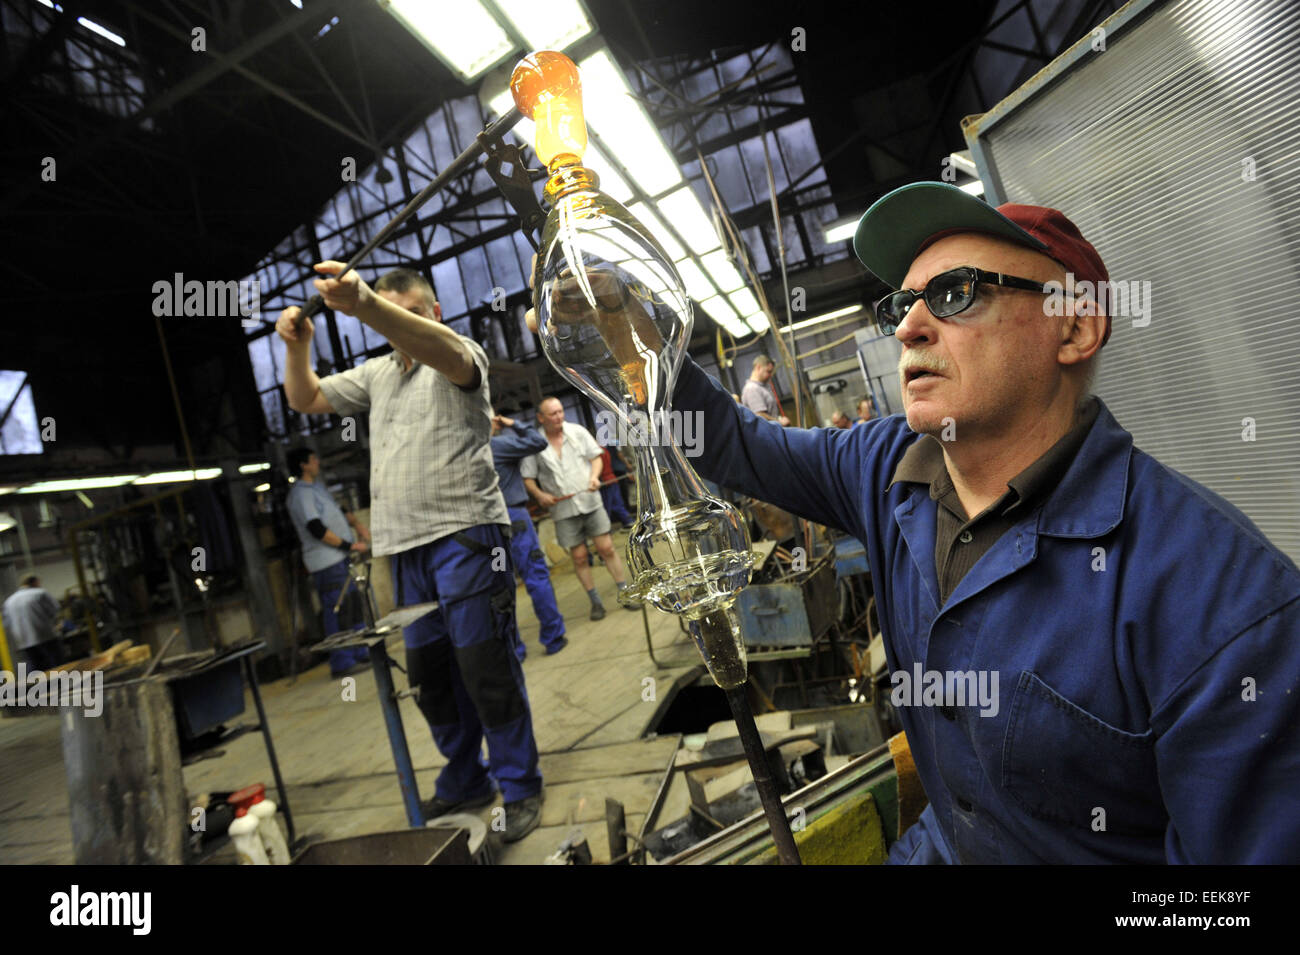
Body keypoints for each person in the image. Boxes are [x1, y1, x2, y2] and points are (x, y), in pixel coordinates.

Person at [530, 181, 1300, 864]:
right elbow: (736, 445)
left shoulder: (1226, 608)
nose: (907, 328)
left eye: (958, 293)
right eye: (903, 304)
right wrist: (635, 335)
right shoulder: (887, 465)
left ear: (1074, 329)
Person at [276, 264, 543, 842]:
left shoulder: (458, 354)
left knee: (486, 668)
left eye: (411, 315)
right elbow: (306, 397)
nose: (399, 328)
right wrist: (298, 349)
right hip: (404, 552)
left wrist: (367, 303)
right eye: (389, 317)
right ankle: (467, 776)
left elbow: (436, 349)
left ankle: (519, 785)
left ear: (434, 314)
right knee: (430, 678)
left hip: (466, 538)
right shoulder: (377, 373)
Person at [521, 397, 638, 621]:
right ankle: (595, 601)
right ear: (541, 418)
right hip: (562, 509)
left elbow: (596, 458)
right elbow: (528, 478)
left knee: (607, 548)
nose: (558, 417)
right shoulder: (534, 443)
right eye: (552, 414)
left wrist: (594, 478)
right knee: (580, 557)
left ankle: (625, 592)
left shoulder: (577, 432)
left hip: (590, 500)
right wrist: (540, 495)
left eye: (560, 411)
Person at [283, 448, 370, 677]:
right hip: (326, 561)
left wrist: (358, 526)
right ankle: (342, 662)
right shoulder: (301, 494)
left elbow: (339, 509)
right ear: (303, 465)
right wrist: (349, 545)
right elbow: (316, 528)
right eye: (313, 458)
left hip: (338, 559)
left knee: (351, 604)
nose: (317, 461)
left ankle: (360, 651)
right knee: (337, 609)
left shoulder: (317, 487)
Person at [489, 411, 568, 657]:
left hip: (492, 530)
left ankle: (515, 649)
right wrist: (513, 423)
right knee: (535, 575)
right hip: (515, 522)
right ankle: (553, 638)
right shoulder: (499, 445)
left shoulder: (469, 450)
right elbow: (538, 440)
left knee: (502, 584)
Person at [2, 575, 62, 671]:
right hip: (46, 636)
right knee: (56, 665)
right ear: (34, 582)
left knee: (35, 667)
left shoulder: (9, 601)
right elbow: (54, 610)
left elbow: (7, 623)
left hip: (23, 641)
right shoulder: (40, 593)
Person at [740, 355, 789, 425]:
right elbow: (759, 415)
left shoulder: (762, 387)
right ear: (758, 367)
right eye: (768, 371)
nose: (770, 375)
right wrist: (780, 422)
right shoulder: (752, 388)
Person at [598, 446, 634, 528]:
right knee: (617, 503)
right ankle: (627, 520)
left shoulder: (597, 452)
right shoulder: (603, 449)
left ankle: (605, 527)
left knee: (607, 506)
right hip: (611, 479)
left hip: (606, 481)